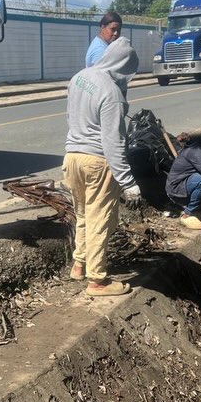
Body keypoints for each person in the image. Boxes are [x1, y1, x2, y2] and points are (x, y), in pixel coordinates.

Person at [65, 36, 142, 296]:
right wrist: (129, 182)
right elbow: (113, 143)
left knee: (84, 215)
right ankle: (97, 280)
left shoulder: (79, 77)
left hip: (72, 157)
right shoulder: (112, 94)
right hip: (97, 162)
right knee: (100, 219)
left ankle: (79, 264)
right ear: (123, 66)